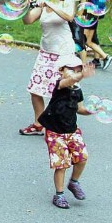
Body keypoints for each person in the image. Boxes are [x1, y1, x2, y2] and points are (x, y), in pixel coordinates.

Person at [19, 0, 84, 136]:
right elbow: (27, 21)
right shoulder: (42, 4)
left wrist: (49, 3)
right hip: (45, 54)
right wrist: (27, 7)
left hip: (64, 53)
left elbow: (69, 16)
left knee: (64, 90)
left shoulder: (67, 0)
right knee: (35, 89)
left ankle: (67, 124)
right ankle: (39, 124)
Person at [38, 61, 94, 208]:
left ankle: (74, 182)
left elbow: (79, 109)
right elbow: (71, 80)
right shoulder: (60, 85)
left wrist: (90, 111)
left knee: (82, 158)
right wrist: (81, 75)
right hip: (55, 132)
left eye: (78, 69)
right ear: (61, 70)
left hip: (72, 130)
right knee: (61, 164)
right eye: (71, 69)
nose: (74, 72)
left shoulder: (77, 90)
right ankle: (59, 195)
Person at [77, 0, 111, 69]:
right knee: (92, 39)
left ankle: (105, 57)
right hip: (93, 18)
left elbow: (82, 7)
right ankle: (97, 60)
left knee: (86, 41)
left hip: (87, 19)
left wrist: (77, 16)